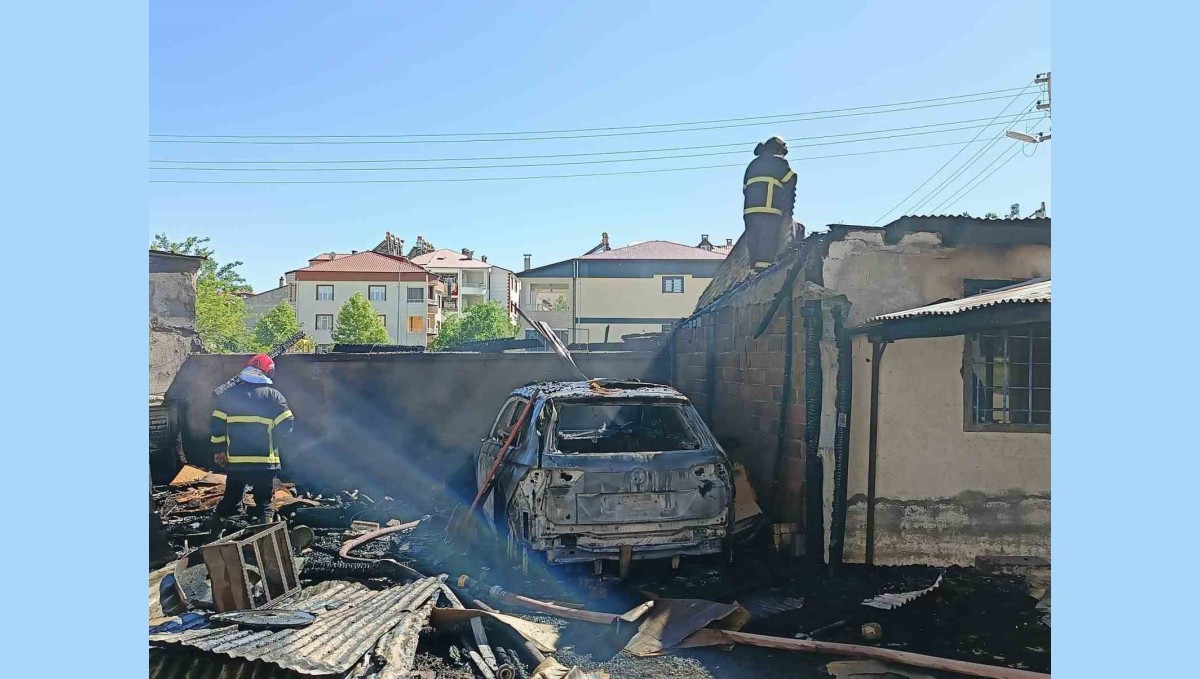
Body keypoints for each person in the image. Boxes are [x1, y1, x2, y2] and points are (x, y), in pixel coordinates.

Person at [208, 354, 294, 538]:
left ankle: (212, 537)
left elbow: (216, 425)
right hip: (265, 462)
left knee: (230, 500)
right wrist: (273, 438)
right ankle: (265, 541)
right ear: (268, 371)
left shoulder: (228, 396)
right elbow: (287, 423)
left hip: (237, 462)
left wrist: (219, 451)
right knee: (264, 503)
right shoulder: (273, 396)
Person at [742, 136, 798, 271]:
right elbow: (791, 183)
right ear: (779, 150)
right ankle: (764, 273)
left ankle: (754, 271)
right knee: (767, 243)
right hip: (770, 211)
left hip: (749, 213)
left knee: (754, 243)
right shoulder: (780, 163)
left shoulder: (752, 165)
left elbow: (745, 189)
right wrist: (788, 212)